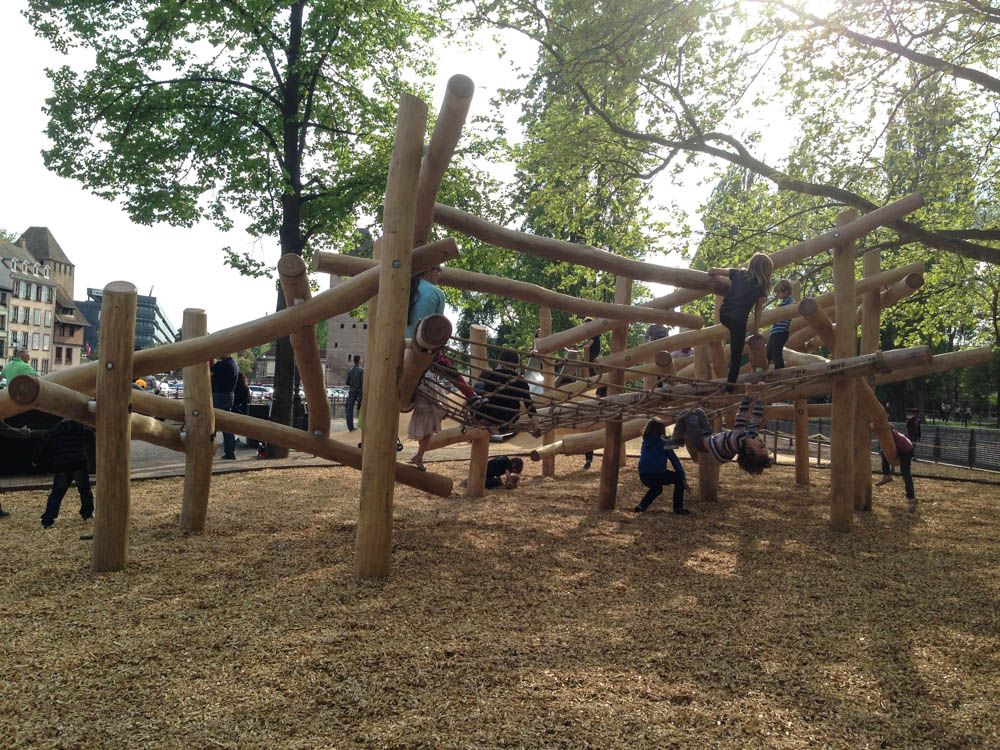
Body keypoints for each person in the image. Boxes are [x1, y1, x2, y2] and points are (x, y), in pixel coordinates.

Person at [406, 265, 478, 402]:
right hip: (422, 347)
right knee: (446, 366)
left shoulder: (406, 288)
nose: (440, 274)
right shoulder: (436, 292)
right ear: (428, 270)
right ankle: (471, 395)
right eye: (438, 270)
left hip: (399, 344)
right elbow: (438, 327)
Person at [709, 254, 774, 387]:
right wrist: (756, 330)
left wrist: (712, 270)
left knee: (735, 337)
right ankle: (730, 386)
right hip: (738, 321)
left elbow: (716, 271)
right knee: (736, 356)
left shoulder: (738, 273)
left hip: (724, 314)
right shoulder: (761, 286)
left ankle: (741, 339)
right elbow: (758, 310)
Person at [672, 389, 772, 475]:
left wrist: (747, 396)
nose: (763, 442)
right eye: (764, 445)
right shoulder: (751, 436)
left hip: (700, 441)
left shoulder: (737, 440)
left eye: (761, 447)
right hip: (709, 437)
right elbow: (756, 419)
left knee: (688, 413)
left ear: (749, 450)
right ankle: (679, 437)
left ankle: (675, 439)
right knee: (699, 412)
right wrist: (761, 398)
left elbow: (741, 416)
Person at [34, 419, 95, 528]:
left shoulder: (57, 429)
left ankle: (48, 520)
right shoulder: (81, 427)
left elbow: (45, 443)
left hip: (62, 465)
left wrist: (37, 460)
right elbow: (91, 437)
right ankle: (87, 513)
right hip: (79, 463)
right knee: (85, 491)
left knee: (56, 494)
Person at [473, 349, 539, 433]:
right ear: (516, 365)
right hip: (508, 418)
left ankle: (478, 421)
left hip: (486, 415)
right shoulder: (521, 381)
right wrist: (537, 425)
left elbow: (477, 394)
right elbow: (530, 407)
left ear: (500, 361)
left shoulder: (487, 374)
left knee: (475, 396)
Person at [635, 419, 690, 514]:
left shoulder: (645, 442)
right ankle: (678, 508)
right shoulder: (664, 442)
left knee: (657, 488)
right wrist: (683, 478)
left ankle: (641, 506)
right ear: (661, 430)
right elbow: (674, 460)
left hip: (643, 476)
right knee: (678, 479)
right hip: (657, 474)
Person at [407, 373, 448, 470]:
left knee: (424, 432)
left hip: (419, 407)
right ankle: (419, 456)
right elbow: (432, 394)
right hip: (426, 409)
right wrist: (438, 403)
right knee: (428, 433)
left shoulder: (418, 376)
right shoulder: (429, 378)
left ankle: (419, 456)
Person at [875, 427, 917, 512]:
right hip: (902, 447)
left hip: (906, 450)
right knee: (883, 452)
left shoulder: (889, 434)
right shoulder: (888, 432)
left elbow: (891, 449)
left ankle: (912, 499)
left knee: (906, 474)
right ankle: (887, 476)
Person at [211, 354, 239, 460]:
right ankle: (230, 452)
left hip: (218, 395)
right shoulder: (233, 364)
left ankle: (208, 449)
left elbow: (206, 374)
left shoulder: (221, 365)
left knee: (211, 423)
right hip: (229, 395)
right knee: (226, 425)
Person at [766, 279, 794, 370]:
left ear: (786, 291)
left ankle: (780, 372)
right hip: (775, 332)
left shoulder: (790, 302)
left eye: (778, 292)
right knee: (768, 353)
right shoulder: (782, 304)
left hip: (781, 332)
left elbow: (794, 306)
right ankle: (763, 371)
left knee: (776, 354)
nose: (777, 295)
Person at [345, 355, 364, 432]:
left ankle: (351, 428)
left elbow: (347, 382)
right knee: (362, 408)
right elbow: (363, 382)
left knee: (349, 410)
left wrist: (352, 385)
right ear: (359, 360)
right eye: (361, 359)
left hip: (352, 391)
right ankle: (363, 425)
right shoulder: (361, 370)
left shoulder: (350, 370)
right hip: (359, 392)